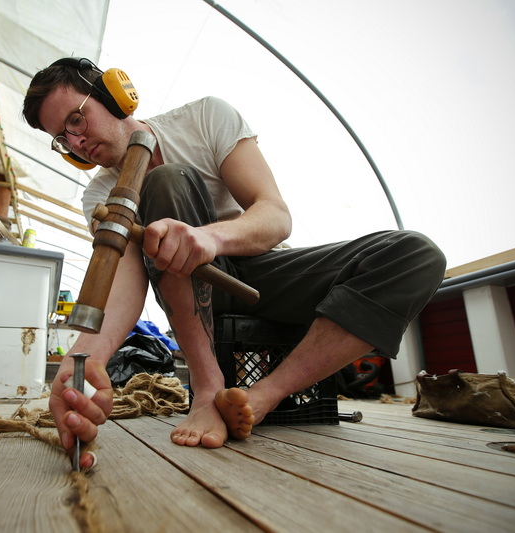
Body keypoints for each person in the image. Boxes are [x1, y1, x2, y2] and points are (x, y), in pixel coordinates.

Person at [22, 58, 447, 469]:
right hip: (188, 298)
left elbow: (275, 216)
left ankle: (264, 395)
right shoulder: (99, 196)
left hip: (260, 275)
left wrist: (207, 238)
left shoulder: (206, 118)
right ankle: (208, 390)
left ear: (112, 93)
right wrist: (83, 361)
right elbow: (123, 286)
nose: (76, 142)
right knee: (164, 182)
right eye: (61, 138)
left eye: (76, 120)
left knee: (415, 255)